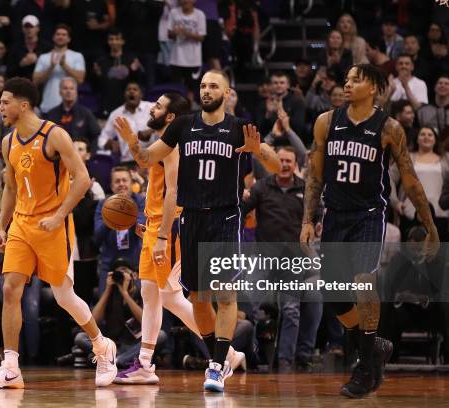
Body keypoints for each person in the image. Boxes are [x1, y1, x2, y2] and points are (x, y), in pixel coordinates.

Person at [114, 70, 280, 392]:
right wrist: (133, 142)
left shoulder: (238, 127)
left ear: (227, 92)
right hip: (190, 219)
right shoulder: (182, 126)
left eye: (213, 86)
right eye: (203, 85)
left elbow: (274, 166)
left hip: (225, 218)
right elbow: (148, 158)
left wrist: (257, 149)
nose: (207, 90)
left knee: (224, 294)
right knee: (199, 300)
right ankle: (222, 357)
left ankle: (216, 365)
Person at [301, 64, 439, 399]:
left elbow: (409, 179)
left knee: (364, 281)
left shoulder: (389, 128)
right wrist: (307, 219)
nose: (347, 84)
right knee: (334, 294)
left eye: (356, 79)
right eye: (346, 79)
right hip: (334, 215)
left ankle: (364, 366)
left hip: (368, 216)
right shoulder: (326, 122)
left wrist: (429, 226)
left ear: (375, 87)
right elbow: (315, 176)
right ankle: (374, 344)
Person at [0, 77, 118, 389]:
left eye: (5, 102)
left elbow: (82, 179)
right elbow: (11, 188)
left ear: (23, 105)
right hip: (22, 224)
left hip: (53, 224)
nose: (0, 107)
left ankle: (101, 345)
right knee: (10, 288)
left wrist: (58, 216)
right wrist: (2, 225)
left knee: (63, 295)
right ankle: (11, 367)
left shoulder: (55, 135)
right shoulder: (8, 142)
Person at [242, 146, 322, 372]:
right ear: (274, 163)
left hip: (293, 259)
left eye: (289, 161)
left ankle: (286, 360)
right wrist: (241, 197)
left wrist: (318, 223)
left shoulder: (305, 189)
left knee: (291, 310)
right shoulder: (262, 186)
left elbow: (319, 213)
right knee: (251, 305)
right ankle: (253, 356)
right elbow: (242, 208)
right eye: (281, 160)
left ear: (295, 164)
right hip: (262, 256)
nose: (285, 164)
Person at [33, 24, 85, 113]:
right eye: (58, 34)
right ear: (53, 37)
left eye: (64, 35)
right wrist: (51, 67)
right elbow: (35, 80)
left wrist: (65, 66)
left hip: (70, 107)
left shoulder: (77, 56)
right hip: (48, 106)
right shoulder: (44, 57)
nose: (60, 36)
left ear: (69, 39)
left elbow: (80, 79)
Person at [97, 82, 155, 162]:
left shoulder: (151, 107)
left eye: (135, 89)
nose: (131, 91)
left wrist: (151, 130)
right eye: (128, 90)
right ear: (124, 94)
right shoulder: (116, 114)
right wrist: (110, 144)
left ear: (141, 94)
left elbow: (169, 119)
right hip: (128, 162)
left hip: (151, 160)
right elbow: (102, 139)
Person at [46, 77, 101, 144]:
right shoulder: (51, 115)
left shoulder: (86, 114)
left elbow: (96, 135)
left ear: (76, 92)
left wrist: (89, 153)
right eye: (65, 88)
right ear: (60, 92)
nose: (68, 91)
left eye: (72, 88)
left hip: (79, 153)